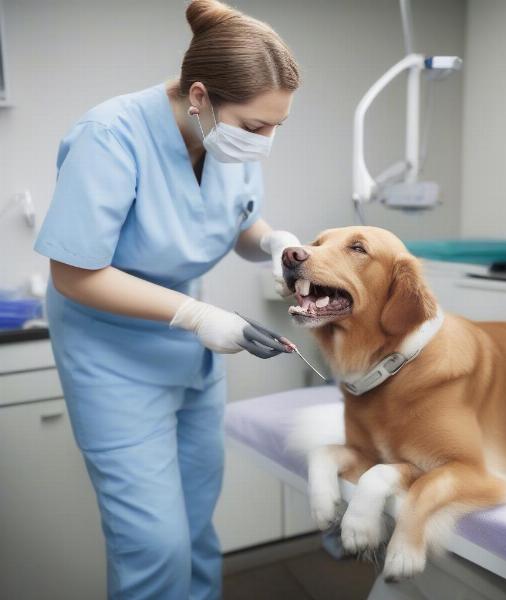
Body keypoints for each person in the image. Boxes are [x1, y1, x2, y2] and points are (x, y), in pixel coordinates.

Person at [33, 1, 301, 598]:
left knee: (198, 529)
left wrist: (277, 244)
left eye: (278, 125)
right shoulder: (111, 135)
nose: (267, 140)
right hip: (114, 360)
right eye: (256, 127)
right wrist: (196, 313)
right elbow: (74, 274)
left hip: (193, 357)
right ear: (200, 96)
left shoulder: (225, 139)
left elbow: (233, 222)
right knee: (155, 546)